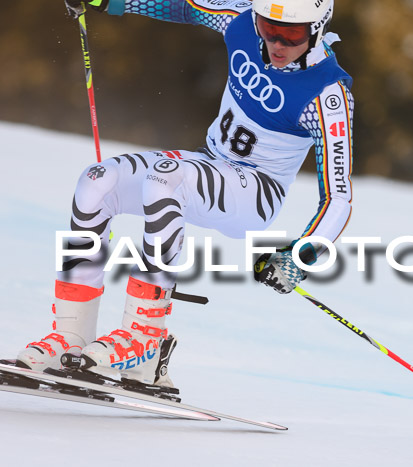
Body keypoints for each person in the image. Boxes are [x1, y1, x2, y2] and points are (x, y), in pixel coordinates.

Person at [15, 0, 354, 387]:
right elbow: (183, 6)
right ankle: (71, 337)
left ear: (317, 28)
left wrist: (300, 256)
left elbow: (338, 198)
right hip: (208, 165)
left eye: (291, 34)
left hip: (256, 193)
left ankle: (145, 339)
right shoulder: (240, 22)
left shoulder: (327, 95)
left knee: (165, 177)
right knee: (97, 180)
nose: (277, 42)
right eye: (268, 27)